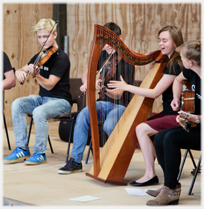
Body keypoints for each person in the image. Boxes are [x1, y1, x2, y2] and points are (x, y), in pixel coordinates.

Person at [108, 25, 184, 186]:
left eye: (165, 40)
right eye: (159, 40)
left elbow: (155, 93)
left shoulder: (175, 64)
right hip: (169, 112)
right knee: (139, 125)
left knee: (141, 128)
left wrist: (126, 87)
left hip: (177, 115)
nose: (161, 44)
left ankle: (150, 174)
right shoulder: (168, 61)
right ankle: (166, 163)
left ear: (175, 42)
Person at [58, 22, 135, 174]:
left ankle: (114, 160)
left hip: (121, 105)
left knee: (108, 126)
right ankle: (75, 161)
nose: (107, 46)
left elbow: (119, 94)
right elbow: (86, 73)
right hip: (103, 103)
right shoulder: (104, 56)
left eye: (110, 42)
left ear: (119, 38)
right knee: (82, 116)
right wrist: (88, 83)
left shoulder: (127, 62)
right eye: (104, 42)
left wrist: (102, 88)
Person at [4, 18, 72, 165]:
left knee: (39, 112)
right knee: (17, 104)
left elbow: (49, 85)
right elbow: (24, 68)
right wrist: (19, 73)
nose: (42, 40)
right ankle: (22, 148)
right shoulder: (40, 56)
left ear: (54, 35)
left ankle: (40, 153)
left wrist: (38, 76)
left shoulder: (61, 58)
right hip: (43, 99)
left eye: (45, 36)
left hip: (60, 101)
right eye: (39, 37)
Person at [146, 40, 201, 206]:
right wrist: (177, 98)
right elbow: (177, 80)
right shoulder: (190, 71)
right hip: (197, 125)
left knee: (171, 138)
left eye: (182, 58)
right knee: (161, 136)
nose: (180, 61)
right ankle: (169, 186)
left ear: (190, 62)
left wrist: (195, 118)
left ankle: (171, 191)